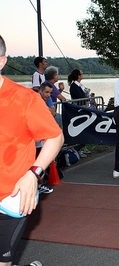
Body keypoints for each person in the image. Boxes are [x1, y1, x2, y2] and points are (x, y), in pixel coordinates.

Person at [0, 35, 64, 266]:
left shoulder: (25, 99)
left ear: (1, 61)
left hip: (10, 197)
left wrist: (33, 173)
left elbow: (55, 137)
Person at [67, 69, 91, 158]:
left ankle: (83, 147)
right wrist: (86, 96)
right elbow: (79, 97)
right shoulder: (74, 86)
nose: (83, 75)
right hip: (79, 110)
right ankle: (79, 148)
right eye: (82, 73)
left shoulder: (79, 85)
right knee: (81, 128)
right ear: (78, 76)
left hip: (83, 108)